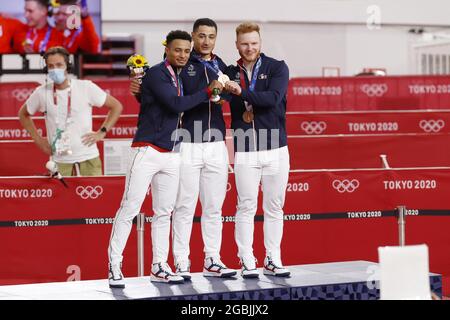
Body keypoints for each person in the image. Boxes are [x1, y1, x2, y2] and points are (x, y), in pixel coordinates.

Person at [107, 30, 224, 288]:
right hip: (147, 150)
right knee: (130, 208)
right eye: (177, 50)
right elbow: (175, 104)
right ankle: (115, 264)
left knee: (163, 213)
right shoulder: (158, 73)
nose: (182, 55)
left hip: (172, 154)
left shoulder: (181, 75)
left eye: (185, 50)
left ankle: (159, 265)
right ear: (167, 50)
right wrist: (207, 91)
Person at [129, 18, 236, 281]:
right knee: (184, 206)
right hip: (186, 143)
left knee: (213, 207)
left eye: (211, 36)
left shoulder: (220, 64)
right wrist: (138, 91)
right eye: (201, 36)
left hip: (216, 144)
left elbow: (229, 95)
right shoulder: (181, 64)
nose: (206, 41)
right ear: (192, 36)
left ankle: (213, 259)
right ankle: (181, 262)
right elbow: (162, 96)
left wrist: (227, 93)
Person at [224, 22, 291, 278]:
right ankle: (247, 260)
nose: (249, 47)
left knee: (275, 207)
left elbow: (272, 99)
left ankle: (273, 259)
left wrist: (241, 92)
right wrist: (222, 91)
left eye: (253, 43)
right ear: (237, 45)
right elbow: (222, 98)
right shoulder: (230, 71)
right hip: (245, 149)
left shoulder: (277, 67)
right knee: (246, 207)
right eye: (244, 43)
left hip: (276, 148)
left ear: (260, 43)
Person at [18, 46, 123, 176]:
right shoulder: (41, 93)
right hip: (60, 161)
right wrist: (38, 140)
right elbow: (23, 114)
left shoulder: (86, 87)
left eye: (59, 65)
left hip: (89, 158)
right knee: (62, 197)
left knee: (94, 196)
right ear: (46, 69)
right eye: (51, 66)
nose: (55, 69)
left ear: (67, 66)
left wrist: (102, 132)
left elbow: (116, 106)